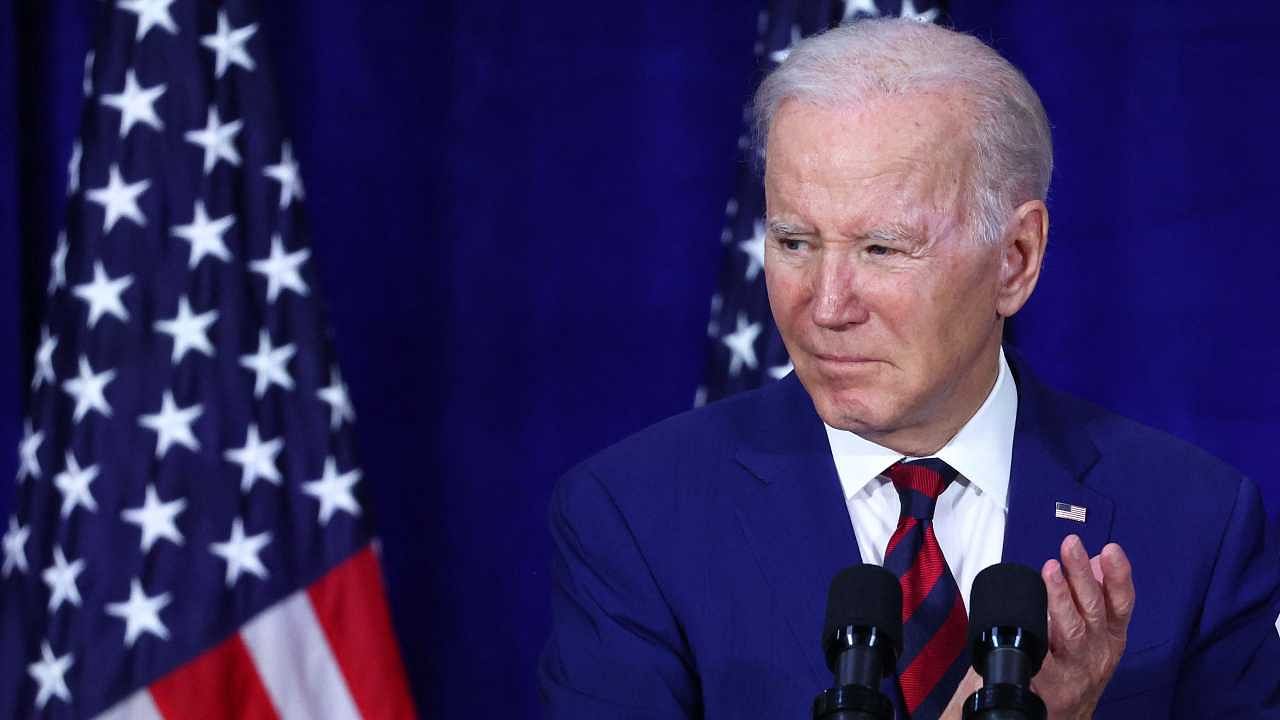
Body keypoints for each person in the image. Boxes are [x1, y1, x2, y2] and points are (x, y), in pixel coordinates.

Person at [539, 18, 1280, 719]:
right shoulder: (634, 518)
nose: (826, 306)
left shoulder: (1195, 525)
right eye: (796, 242)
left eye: (882, 250)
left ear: (1015, 260)